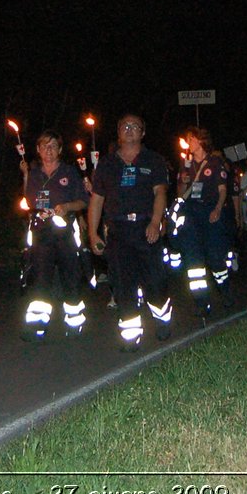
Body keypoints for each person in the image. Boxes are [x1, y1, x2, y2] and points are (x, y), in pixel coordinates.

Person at [87, 114, 172, 350]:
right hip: (118, 230)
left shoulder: (153, 160)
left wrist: (156, 222)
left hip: (146, 228)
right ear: (118, 132)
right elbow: (96, 201)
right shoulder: (107, 164)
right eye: (125, 126)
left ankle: (162, 313)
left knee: (154, 282)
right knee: (124, 285)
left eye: (135, 126)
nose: (129, 129)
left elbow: (160, 194)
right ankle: (131, 335)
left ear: (143, 132)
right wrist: (93, 234)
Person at [19, 130, 88, 341]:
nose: (48, 150)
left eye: (53, 146)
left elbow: (83, 201)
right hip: (41, 233)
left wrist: (66, 207)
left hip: (65, 232)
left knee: (71, 277)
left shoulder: (69, 172)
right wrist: (25, 176)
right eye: (44, 146)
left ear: (59, 150)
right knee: (40, 278)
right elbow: (28, 201)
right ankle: (37, 325)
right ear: (38, 150)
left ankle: (74, 323)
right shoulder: (35, 173)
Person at [175, 127, 230, 318]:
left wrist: (217, 209)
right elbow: (180, 194)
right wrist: (183, 181)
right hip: (191, 213)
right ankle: (201, 301)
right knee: (193, 260)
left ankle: (224, 289)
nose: (188, 142)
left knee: (215, 257)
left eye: (191, 138)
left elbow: (222, 190)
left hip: (210, 211)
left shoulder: (215, 162)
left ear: (201, 141)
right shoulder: (185, 163)